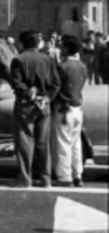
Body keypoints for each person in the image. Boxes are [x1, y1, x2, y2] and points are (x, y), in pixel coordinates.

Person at [9, 30, 61, 188]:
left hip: (26, 104)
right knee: (43, 142)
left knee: (25, 140)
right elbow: (56, 83)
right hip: (44, 104)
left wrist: (28, 93)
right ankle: (45, 178)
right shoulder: (48, 59)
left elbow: (16, 83)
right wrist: (47, 97)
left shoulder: (18, 59)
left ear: (22, 43)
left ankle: (25, 178)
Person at [52, 35, 88, 187]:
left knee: (62, 143)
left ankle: (64, 176)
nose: (61, 49)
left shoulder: (62, 67)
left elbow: (56, 87)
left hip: (63, 108)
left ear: (67, 48)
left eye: (62, 46)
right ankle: (77, 174)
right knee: (76, 143)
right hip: (77, 107)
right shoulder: (82, 66)